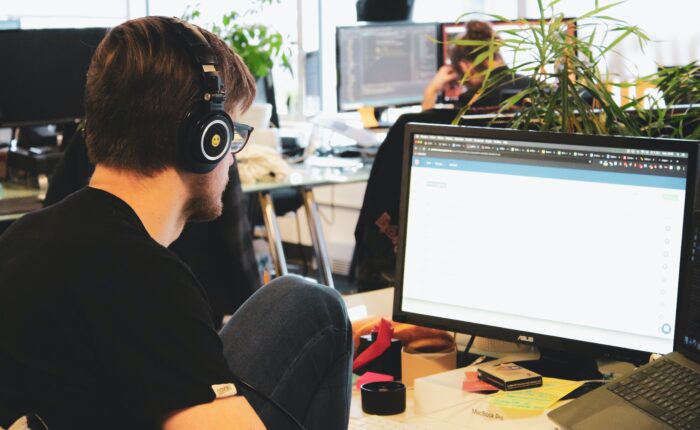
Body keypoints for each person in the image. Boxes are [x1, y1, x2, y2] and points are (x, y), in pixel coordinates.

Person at [0, 16, 352, 430]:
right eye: (233, 135)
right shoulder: (143, 277)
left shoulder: (20, 238)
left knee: (300, 298)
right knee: (318, 308)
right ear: (206, 139)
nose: (233, 158)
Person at [422, 20, 531, 111]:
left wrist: (432, 90)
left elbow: (425, 125)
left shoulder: (469, 103)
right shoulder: (533, 86)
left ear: (465, 66)